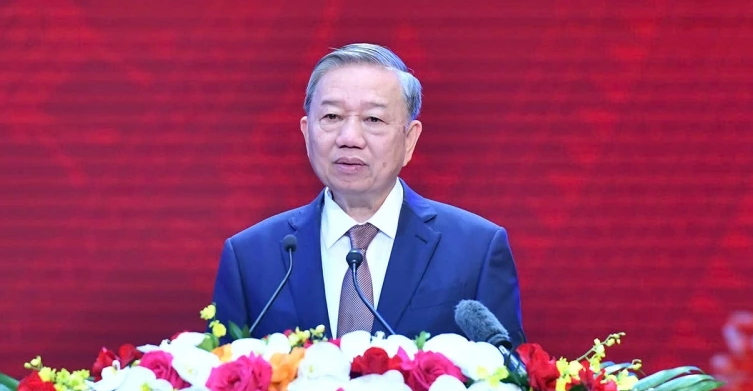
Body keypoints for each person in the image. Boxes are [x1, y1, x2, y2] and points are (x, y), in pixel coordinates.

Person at [210, 43, 525, 345]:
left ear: (409, 139)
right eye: (332, 117)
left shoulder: (476, 250)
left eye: (373, 119)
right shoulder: (250, 257)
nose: (349, 138)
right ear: (306, 133)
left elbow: (507, 377)